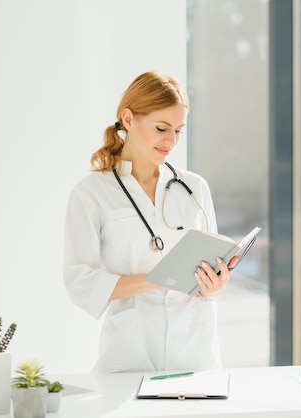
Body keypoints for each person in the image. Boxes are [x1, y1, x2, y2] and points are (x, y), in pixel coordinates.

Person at [63, 70, 238, 373]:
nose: (171, 141)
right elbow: (79, 281)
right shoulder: (91, 194)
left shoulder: (194, 188)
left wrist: (215, 287)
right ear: (128, 119)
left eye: (179, 131)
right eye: (161, 128)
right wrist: (157, 278)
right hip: (130, 355)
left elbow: (212, 277)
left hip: (195, 354)